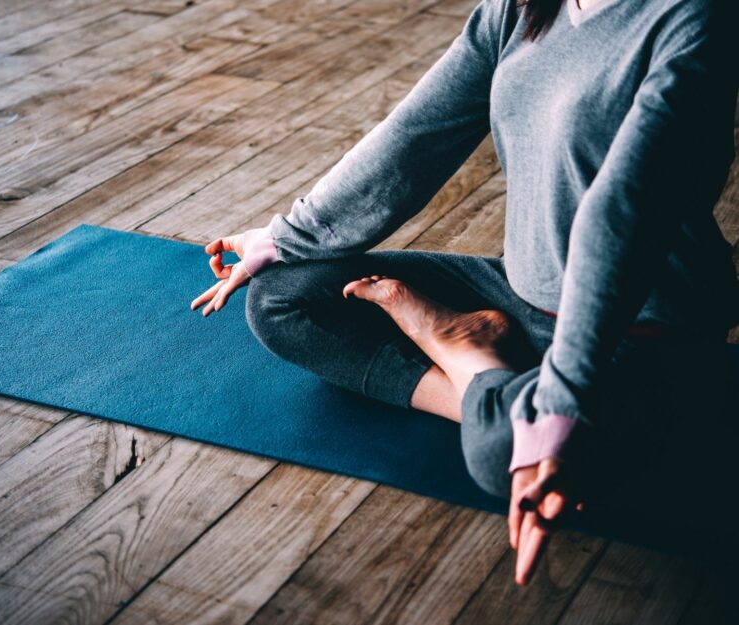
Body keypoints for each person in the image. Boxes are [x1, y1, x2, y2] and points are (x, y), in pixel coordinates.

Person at [190, 0, 739, 585]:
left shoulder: (697, 19)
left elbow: (622, 213)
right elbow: (415, 134)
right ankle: (495, 383)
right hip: (518, 293)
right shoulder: (520, 8)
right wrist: (283, 238)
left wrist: (558, 410)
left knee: (497, 452)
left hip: (635, 329)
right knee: (282, 297)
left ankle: (468, 355)